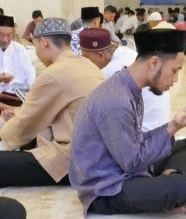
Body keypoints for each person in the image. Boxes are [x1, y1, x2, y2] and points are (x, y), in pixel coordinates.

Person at [69, 27, 186, 216]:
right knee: (182, 188)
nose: (175, 79)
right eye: (174, 70)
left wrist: (173, 127)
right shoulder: (116, 100)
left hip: (125, 166)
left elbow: (135, 142)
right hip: (108, 189)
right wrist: (171, 129)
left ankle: (169, 178)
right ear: (154, 63)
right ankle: (175, 183)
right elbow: (132, 162)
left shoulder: (129, 86)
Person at [0, 17, 104, 187]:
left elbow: (24, 125)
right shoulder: (87, 64)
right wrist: (19, 113)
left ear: (44, 42)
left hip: (73, 161)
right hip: (97, 156)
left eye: (36, 46)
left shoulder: (53, 73)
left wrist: (4, 136)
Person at [80, 27, 172, 131]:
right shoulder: (126, 51)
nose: (85, 62)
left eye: (86, 58)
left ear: (100, 55)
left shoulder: (109, 72)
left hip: (145, 134)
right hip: (160, 127)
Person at [0, 15, 36, 97]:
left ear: (13, 33)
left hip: (18, 97)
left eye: (9, 35)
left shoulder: (20, 50)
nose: (5, 40)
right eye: (1, 35)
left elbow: (30, 74)